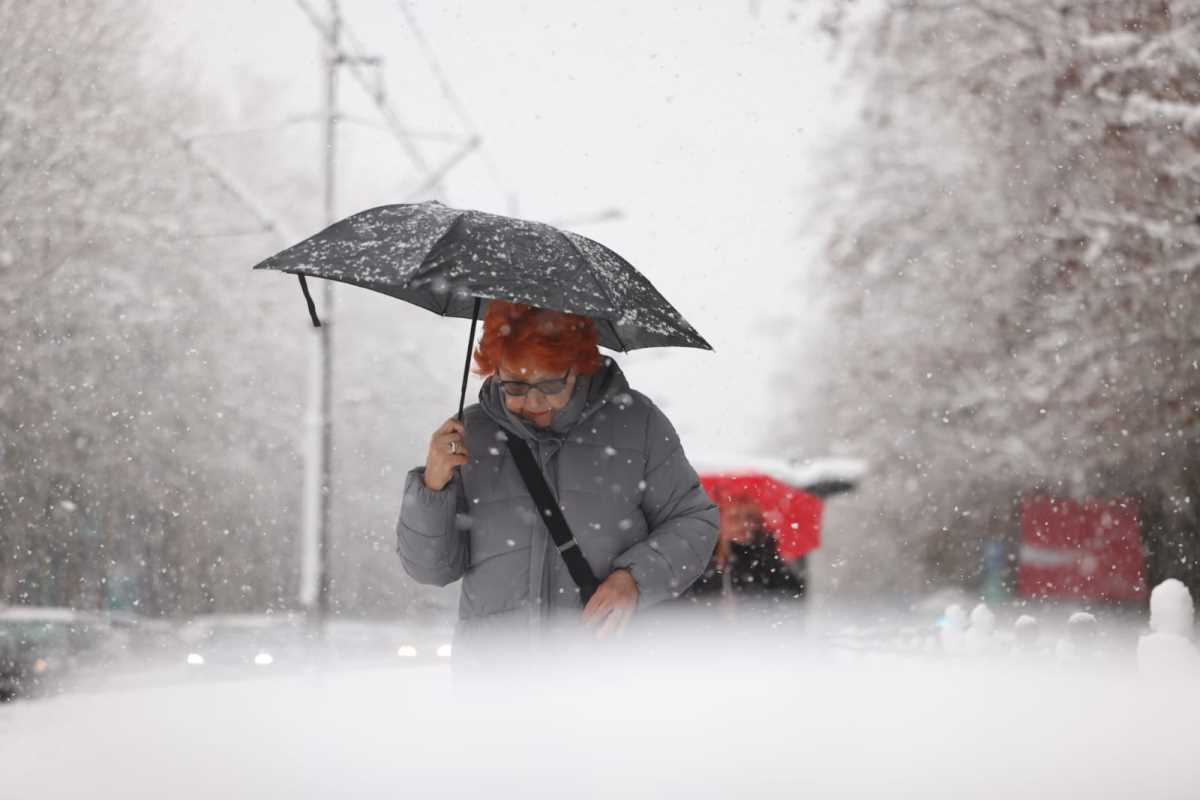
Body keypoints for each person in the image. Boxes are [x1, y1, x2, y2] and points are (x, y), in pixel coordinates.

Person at [396, 300, 719, 661]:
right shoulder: (467, 436)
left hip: (606, 669)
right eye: (515, 385)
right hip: (495, 673)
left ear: (579, 366)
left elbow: (694, 522)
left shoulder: (637, 423)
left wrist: (635, 578)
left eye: (550, 383)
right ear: (494, 371)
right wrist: (433, 485)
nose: (534, 402)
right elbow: (430, 569)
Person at [684, 496, 806, 607]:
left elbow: (791, 595)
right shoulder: (699, 560)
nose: (744, 524)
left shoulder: (767, 559)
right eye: (734, 518)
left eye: (751, 518)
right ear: (719, 519)